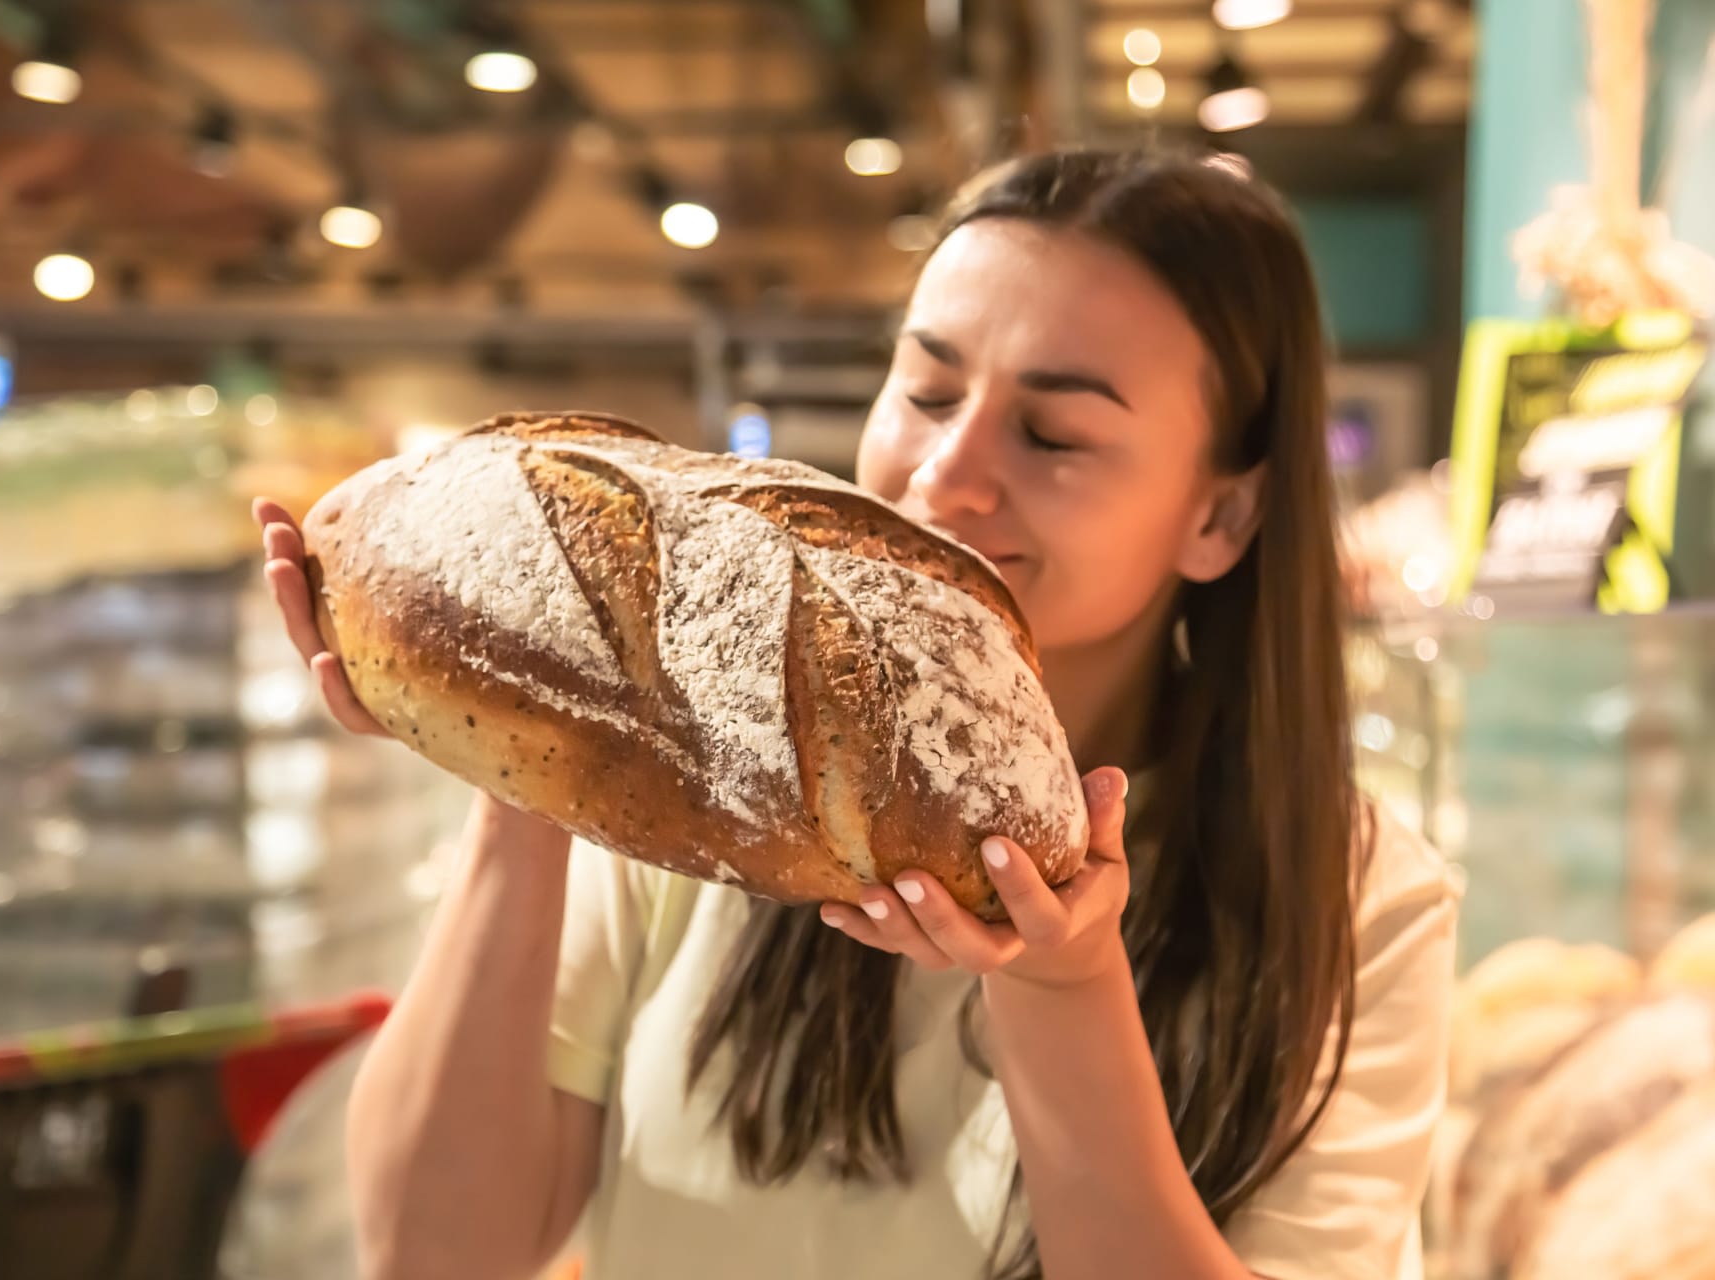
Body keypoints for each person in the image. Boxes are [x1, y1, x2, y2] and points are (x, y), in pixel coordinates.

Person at [255, 146, 1461, 1280]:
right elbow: (432, 1248)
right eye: (928, 389)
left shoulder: (1360, 907)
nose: (945, 473)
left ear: (1224, 518)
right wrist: (521, 752)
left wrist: (1062, 987)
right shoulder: (698, 790)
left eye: (1052, 432)